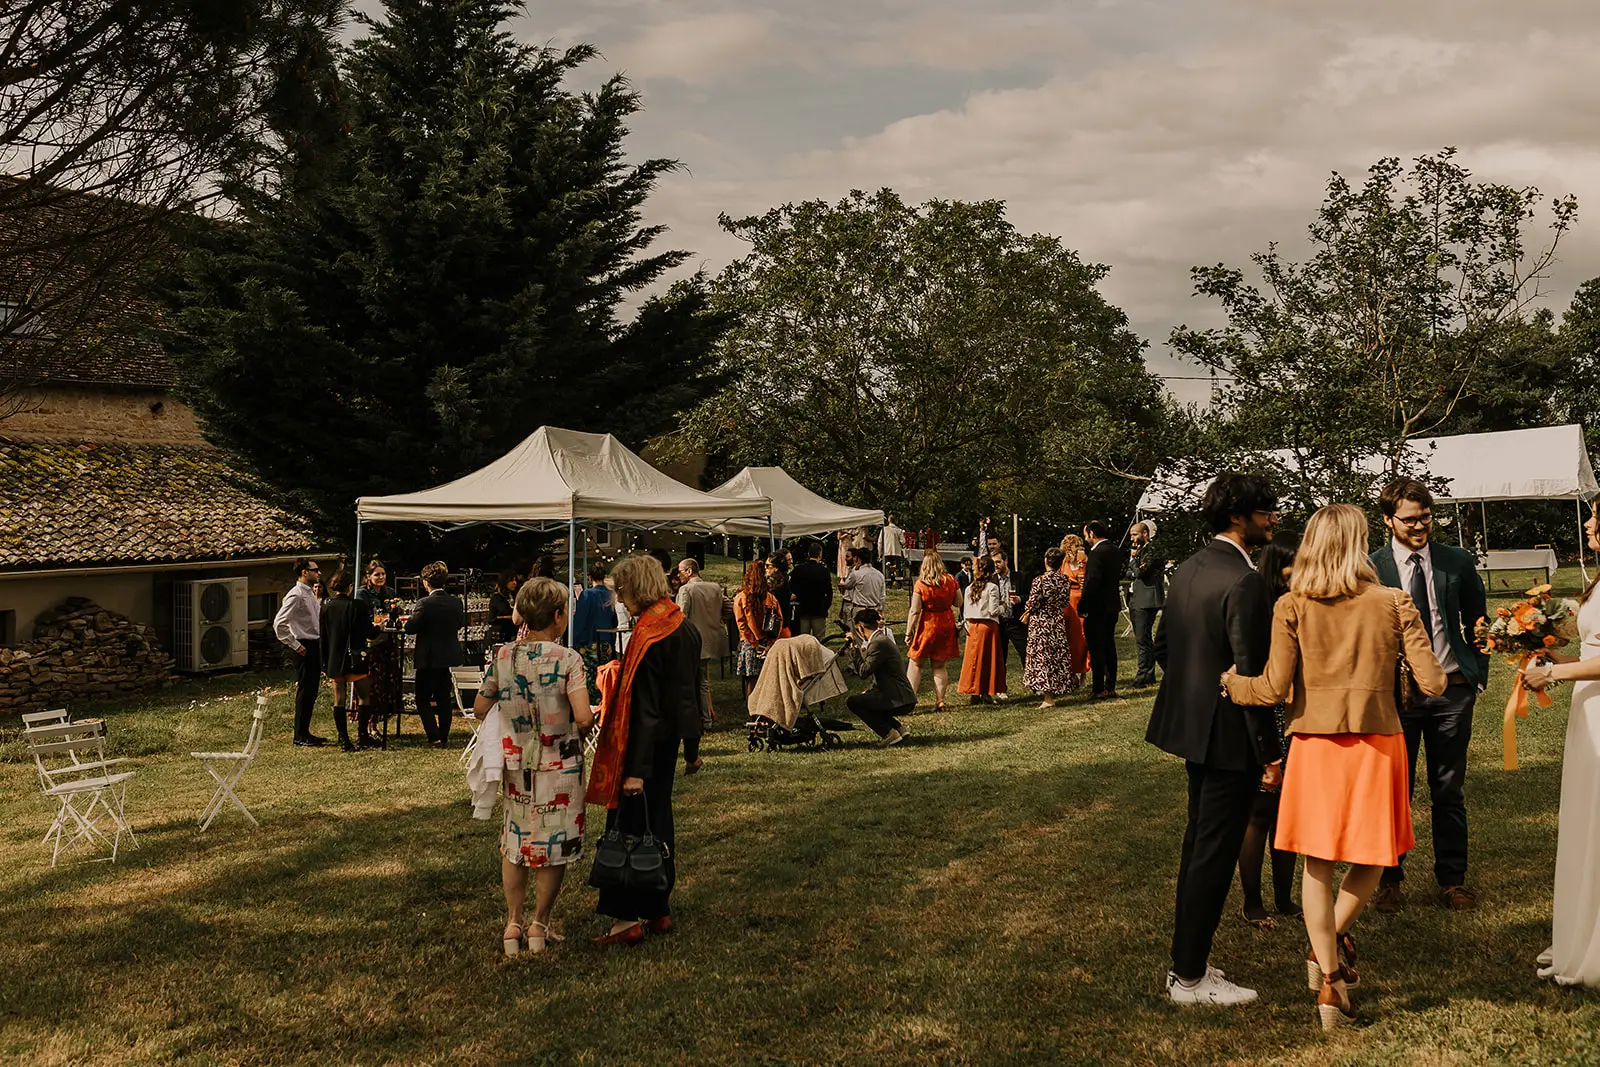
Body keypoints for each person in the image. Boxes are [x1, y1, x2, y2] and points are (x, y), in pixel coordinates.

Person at [1225, 503, 1446, 1030]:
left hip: (1314, 745)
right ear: (1358, 543)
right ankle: (1331, 951)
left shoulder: (1292, 606)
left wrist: (1233, 683)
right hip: (1378, 743)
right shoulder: (1394, 602)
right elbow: (1435, 683)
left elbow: (1272, 689)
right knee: (1373, 855)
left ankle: (1328, 974)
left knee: (1317, 865)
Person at [1144, 473, 1279, 1007]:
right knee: (1213, 855)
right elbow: (1251, 676)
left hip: (1194, 729)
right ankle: (1191, 977)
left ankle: (1187, 962)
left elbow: (1163, 649)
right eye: (1266, 511)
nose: (1274, 519)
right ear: (1239, 517)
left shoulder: (1188, 568)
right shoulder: (1244, 581)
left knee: (1198, 847)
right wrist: (1269, 753)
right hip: (1228, 738)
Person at [1370, 478, 1490, 914]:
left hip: (1453, 692)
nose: (1420, 526)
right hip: (1394, 698)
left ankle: (1452, 880)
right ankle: (1389, 880)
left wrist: (1478, 674)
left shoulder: (1456, 561)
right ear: (1388, 520)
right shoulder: (1372, 567)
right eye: (1410, 519)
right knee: (1392, 791)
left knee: (1448, 788)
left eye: (1426, 517)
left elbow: (1479, 620)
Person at [586, 554, 702, 945]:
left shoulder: (650, 633)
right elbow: (690, 696)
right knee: (658, 823)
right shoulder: (680, 625)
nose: (618, 599)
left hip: (643, 745)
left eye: (621, 590)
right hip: (668, 742)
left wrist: (634, 768)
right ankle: (658, 908)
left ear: (635, 587)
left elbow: (645, 707)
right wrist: (691, 748)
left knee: (629, 828)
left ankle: (625, 917)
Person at [475, 577, 595, 956]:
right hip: (560, 765)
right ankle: (539, 925)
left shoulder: (503, 656)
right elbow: (582, 717)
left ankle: (513, 922)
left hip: (516, 762)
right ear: (558, 616)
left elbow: (480, 708)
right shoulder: (568, 660)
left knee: (515, 842)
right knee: (552, 844)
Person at [1525, 501, 1600, 986]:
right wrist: (1544, 647)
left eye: (1598, 516)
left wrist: (1553, 672)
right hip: (1588, 708)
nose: (1590, 524)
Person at [1235, 530, 1302, 928]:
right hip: (1267, 714)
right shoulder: (1260, 605)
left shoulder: (1305, 602)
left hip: (1297, 717)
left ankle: (1284, 896)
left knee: (1289, 815)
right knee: (1260, 813)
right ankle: (1252, 901)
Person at [404, 560, 465, 747]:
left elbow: (410, 628)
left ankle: (434, 734)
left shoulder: (424, 603)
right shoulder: (456, 602)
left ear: (425, 582)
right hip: (447, 654)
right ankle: (444, 735)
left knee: (422, 698)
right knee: (443, 698)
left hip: (428, 656)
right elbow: (459, 624)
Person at [675, 557, 729, 769]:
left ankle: (702, 720)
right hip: (711, 639)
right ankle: (705, 718)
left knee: (694, 682)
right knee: (703, 681)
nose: (678, 575)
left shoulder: (686, 591)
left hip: (692, 642)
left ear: (689, 571)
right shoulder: (714, 587)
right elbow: (728, 607)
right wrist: (718, 622)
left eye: (680, 571)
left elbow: (681, 617)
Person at [320, 567, 374, 752]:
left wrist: (324, 661)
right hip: (355, 656)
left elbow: (323, 636)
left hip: (335, 657)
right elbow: (368, 632)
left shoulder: (326, 605)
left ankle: (343, 738)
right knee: (364, 696)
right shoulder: (358, 606)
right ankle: (362, 735)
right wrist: (379, 628)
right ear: (350, 587)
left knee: (339, 699)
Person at [274, 558, 327, 747]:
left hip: (314, 643)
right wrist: (295, 645)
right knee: (305, 690)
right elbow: (279, 623)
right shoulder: (295, 595)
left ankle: (305, 731)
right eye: (315, 570)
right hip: (304, 644)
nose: (319, 573)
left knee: (312, 690)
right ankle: (299, 735)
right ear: (305, 572)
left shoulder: (310, 593)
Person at [845, 608, 916, 746]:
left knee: (853, 702)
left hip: (898, 698)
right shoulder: (881, 640)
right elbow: (883, 672)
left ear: (860, 626)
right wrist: (871, 691)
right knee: (867, 699)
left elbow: (863, 672)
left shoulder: (877, 643)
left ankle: (889, 733)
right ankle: (899, 729)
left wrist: (853, 648)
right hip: (900, 695)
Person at [1022, 548, 1082, 706]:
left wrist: (1028, 607)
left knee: (1043, 658)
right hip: (1057, 621)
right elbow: (1064, 602)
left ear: (1046, 561)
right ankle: (1060, 687)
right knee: (1056, 656)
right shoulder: (1064, 579)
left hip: (1041, 623)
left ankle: (1047, 697)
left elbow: (1032, 603)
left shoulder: (1040, 580)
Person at [905, 548, 960, 712]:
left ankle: (910, 700)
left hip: (928, 624)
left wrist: (909, 632)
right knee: (939, 665)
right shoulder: (950, 580)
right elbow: (958, 602)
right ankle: (940, 700)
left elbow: (914, 610)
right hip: (946, 624)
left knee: (916, 663)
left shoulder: (921, 584)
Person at [1079, 521, 1126, 699]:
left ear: (1091, 533)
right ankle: (1110, 685)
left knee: (1096, 647)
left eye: (1086, 534)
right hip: (1111, 605)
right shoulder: (1115, 551)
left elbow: (1093, 582)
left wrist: (1083, 604)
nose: (1085, 538)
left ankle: (1098, 687)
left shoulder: (1097, 553)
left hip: (1097, 607)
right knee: (1109, 645)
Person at [355, 558, 401, 741]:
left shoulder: (390, 592)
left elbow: (395, 614)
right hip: (371, 644)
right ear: (368, 576)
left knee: (389, 685)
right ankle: (369, 724)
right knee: (373, 686)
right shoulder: (362, 594)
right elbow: (362, 619)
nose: (381, 577)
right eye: (377, 574)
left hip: (388, 643)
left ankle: (382, 720)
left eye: (383, 574)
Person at [733, 560, 787, 695]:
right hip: (767, 643)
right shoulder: (771, 598)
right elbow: (778, 622)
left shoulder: (741, 598)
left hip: (749, 644)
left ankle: (753, 712)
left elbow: (741, 624)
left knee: (752, 681)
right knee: (768, 680)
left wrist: (754, 643)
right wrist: (770, 643)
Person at [958, 556, 1006, 704]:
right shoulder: (992, 587)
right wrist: (1003, 606)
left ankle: (974, 691)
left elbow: (965, 610)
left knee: (973, 659)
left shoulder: (969, 588)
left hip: (972, 625)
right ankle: (985, 691)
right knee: (988, 660)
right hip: (987, 626)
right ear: (992, 572)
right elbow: (993, 610)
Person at [1126, 520, 1165, 687]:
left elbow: (1141, 572)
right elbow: (1128, 573)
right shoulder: (1139, 551)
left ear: (1145, 534)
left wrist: (1134, 562)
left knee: (1143, 638)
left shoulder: (1153, 550)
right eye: (1131, 535)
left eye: (1135, 534)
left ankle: (1143, 674)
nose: (1132, 538)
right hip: (1135, 598)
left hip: (1147, 599)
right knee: (1142, 638)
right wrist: (1134, 566)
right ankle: (1147, 674)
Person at [572, 563, 617, 701]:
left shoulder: (586, 594)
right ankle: (606, 701)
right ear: (604, 577)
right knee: (606, 672)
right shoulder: (611, 594)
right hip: (607, 639)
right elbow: (614, 619)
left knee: (591, 676)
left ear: (589, 577)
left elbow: (580, 619)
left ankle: (594, 704)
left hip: (589, 640)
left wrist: (574, 640)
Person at [789, 541, 834, 639]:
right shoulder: (824, 570)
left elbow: (791, 587)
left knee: (802, 639)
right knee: (819, 639)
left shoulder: (798, 569)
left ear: (808, 554)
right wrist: (826, 606)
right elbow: (829, 591)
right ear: (820, 555)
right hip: (819, 609)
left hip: (802, 608)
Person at [840, 548, 886, 623]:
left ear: (858, 559)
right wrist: (880, 610)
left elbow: (847, 586)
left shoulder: (856, 574)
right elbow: (882, 596)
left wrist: (855, 569)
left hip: (859, 609)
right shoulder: (880, 575)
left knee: (856, 632)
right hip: (874, 609)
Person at [487, 568, 521, 646]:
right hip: (499, 636)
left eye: (515, 580)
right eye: (511, 581)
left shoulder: (513, 595)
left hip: (510, 634)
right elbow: (507, 611)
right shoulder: (497, 598)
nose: (514, 583)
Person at [879, 515, 907, 587]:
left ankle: (888, 584)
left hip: (886, 552)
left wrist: (879, 553)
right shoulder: (899, 530)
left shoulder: (884, 530)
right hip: (896, 552)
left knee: (887, 567)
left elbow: (880, 542)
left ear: (888, 520)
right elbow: (903, 542)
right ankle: (898, 583)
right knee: (897, 568)